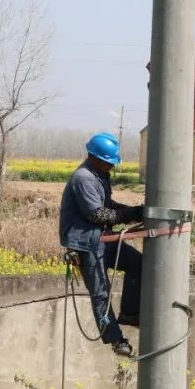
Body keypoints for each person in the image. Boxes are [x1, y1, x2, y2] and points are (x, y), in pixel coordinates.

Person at [59, 132, 144, 357]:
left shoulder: (99, 175)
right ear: (95, 158)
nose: (112, 166)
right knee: (101, 294)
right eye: (109, 162)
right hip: (86, 245)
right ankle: (116, 340)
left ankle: (130, 313)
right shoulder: (83, 178)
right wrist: (126, 215)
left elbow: (108, 204)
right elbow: (97, 214)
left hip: (103, 240)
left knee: (138, 263)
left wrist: (133, 211)